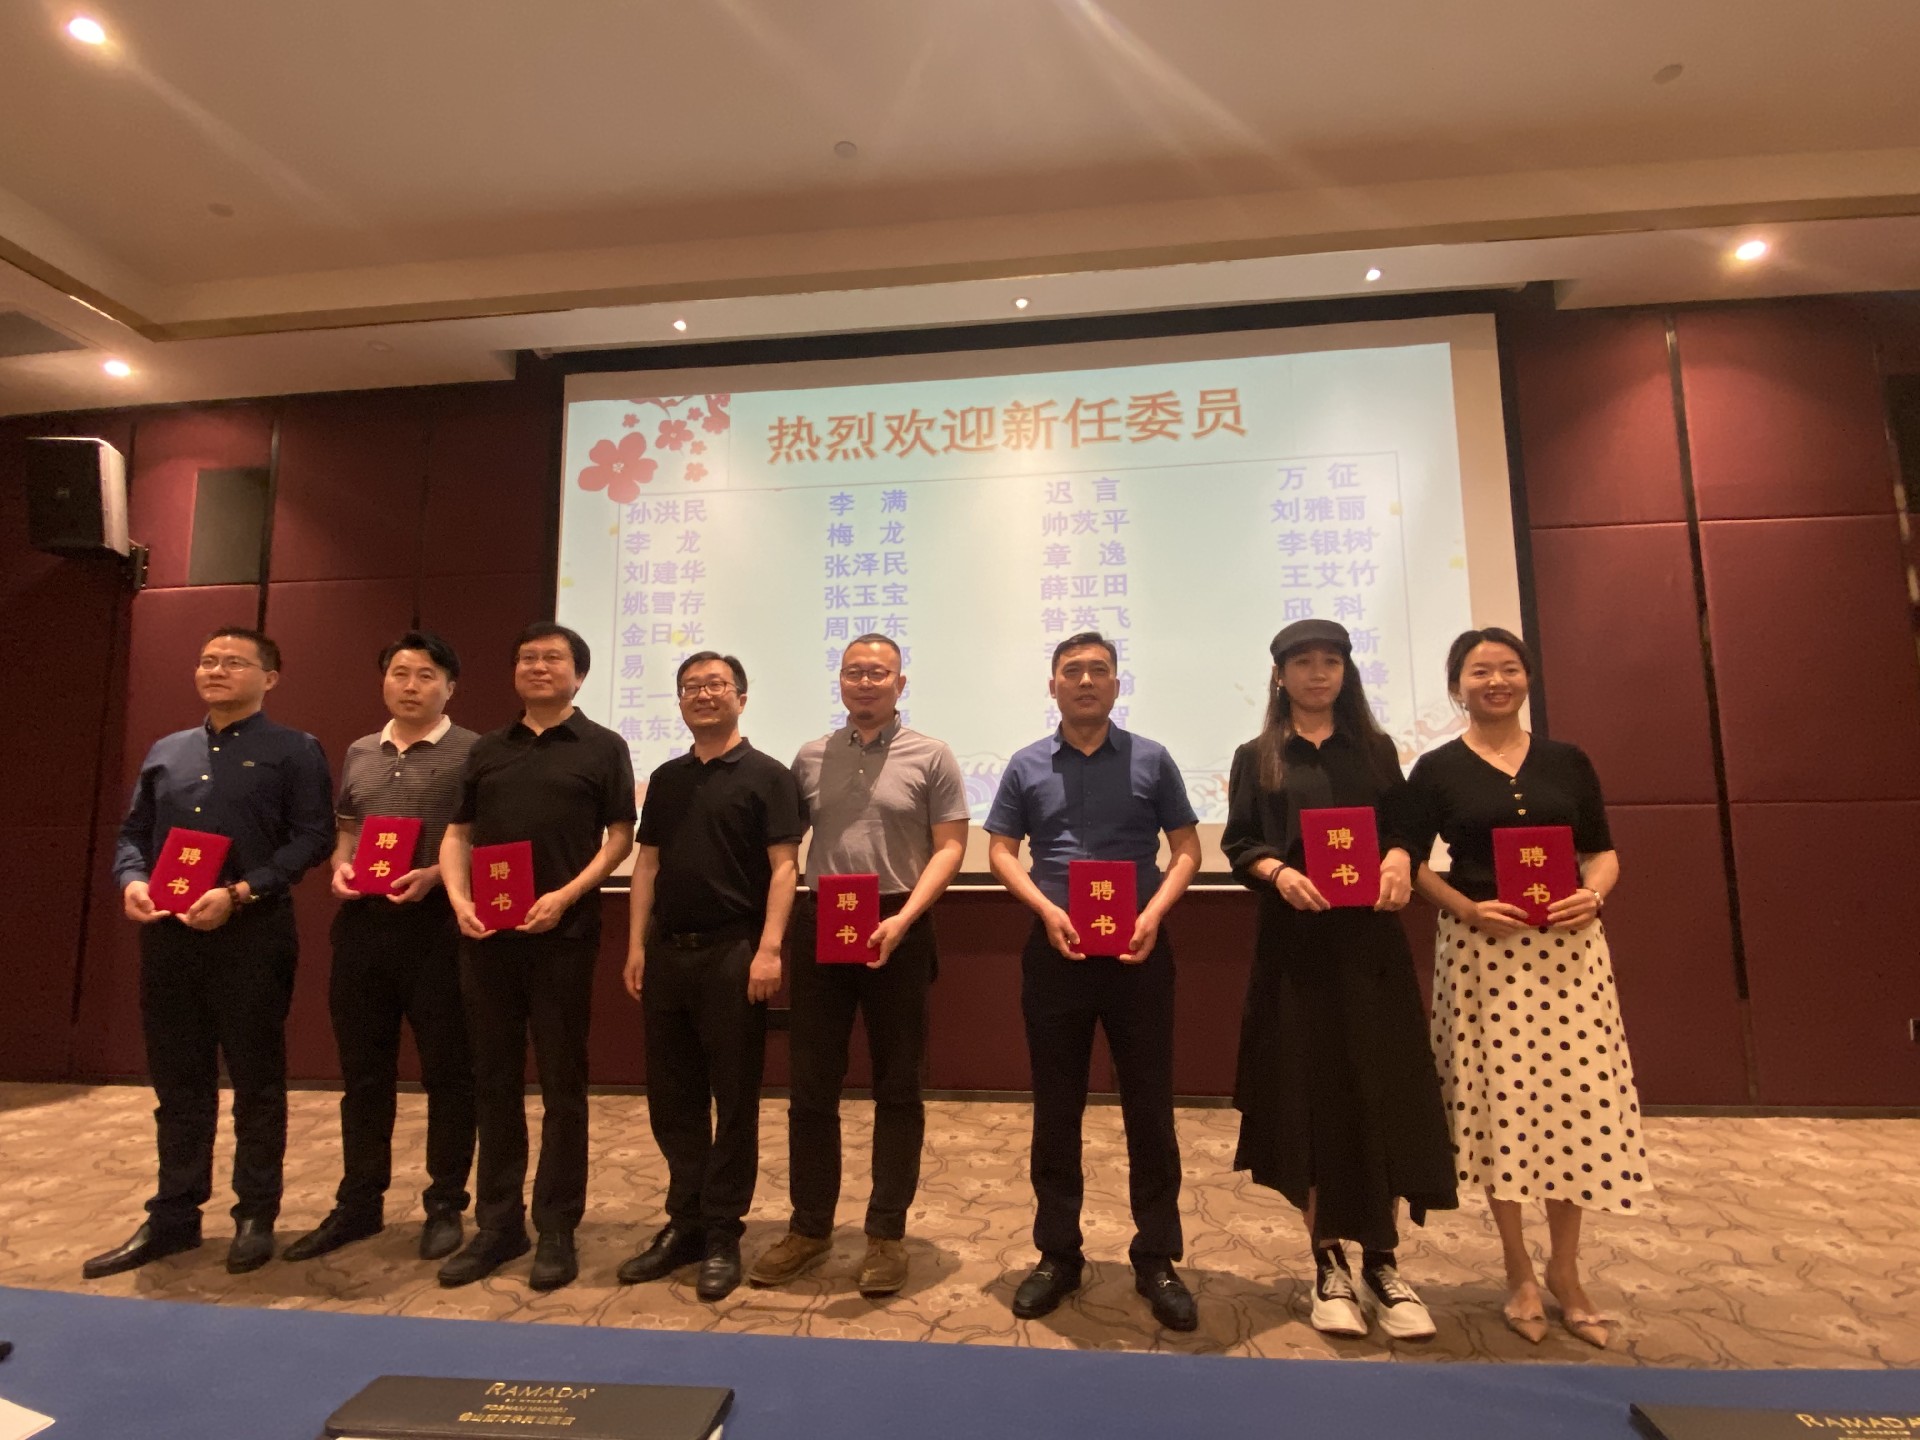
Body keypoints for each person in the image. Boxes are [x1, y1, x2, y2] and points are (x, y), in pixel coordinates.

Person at [1407, 626, 1649, 1349]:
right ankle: (1517, 1268)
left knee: (1576, 1105)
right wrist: (1467, 908)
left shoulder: (1567, 761)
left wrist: (1594, 894)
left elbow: (1602, 851)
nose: (1495, 682)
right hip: (1484, 955)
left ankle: (1566, 1271)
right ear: (1457, 686)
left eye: (1508, 668)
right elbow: (1409, 862)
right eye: (1479, 671)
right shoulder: (1436, 768)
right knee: (1502, 1107)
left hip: (1570, 955)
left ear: (1528, 678)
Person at [1221, 619, 1456, 1341]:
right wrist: (1278, 872)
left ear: (1347, 672)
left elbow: (1405, 829)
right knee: (1308, 1100)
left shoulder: (1376, 750)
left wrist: (1399, 857)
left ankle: (1384, 1262)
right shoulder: (1257, 756)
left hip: (1370, 951)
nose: (1318, 673)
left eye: (1331, 661)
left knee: (1380, 1094)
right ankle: (1328, 1265)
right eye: (1303, 663)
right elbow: (1240, 842)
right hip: (1296, 954)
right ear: (1280, 675)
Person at [85, 628, 333, 1279]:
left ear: (269, 678)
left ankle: (255, 1214)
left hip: (252, 934)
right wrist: (131, 881)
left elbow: (313, 838)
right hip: (169, 937)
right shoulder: (167, 750)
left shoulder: (295, 749)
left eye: (234, 662)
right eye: (207, 661)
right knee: (177, 1082)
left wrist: (243, 892)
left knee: (256, 1081)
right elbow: (134, 833)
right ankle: (174, 1213)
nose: (216, 670)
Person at [984, 631, 1203, 1333]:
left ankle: (1157, 1257)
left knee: (1150, 1108)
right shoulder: (1026, 764)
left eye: (1098, 670)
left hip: (1139, 951)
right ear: (1053, 685)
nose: (1085, 681)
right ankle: (1058, 1253)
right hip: (1057, 951)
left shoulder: (1152, 759)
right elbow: (1000, 850)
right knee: (1056, 1108)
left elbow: (1188, 848)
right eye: (1072, 671)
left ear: (1115, 683)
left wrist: (1154, 912)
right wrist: (1045, 909)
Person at [749, 634, 969, 1298]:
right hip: (825, 919)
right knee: (811, 1086)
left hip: (900, 921)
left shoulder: (931, 754)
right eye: (854, 672)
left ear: (901, 683)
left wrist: (905, 919)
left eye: (879, 672)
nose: (865, 682)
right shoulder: (810, 756)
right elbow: (785, 850)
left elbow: (950, 847)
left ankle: (885, 1234)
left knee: (898, 1087)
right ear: (840, 682)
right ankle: (809, 1228)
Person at [436, 623, 635, 1291]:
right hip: (486, 940)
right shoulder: (488, 748)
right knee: (492, 1081)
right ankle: (498, 1226)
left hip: (563, 937)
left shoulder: (603, 746)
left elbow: (619, 837)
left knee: (561, 1086)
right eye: (527, 658)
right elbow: (457, 833)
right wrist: (459, 899)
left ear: (580, 675)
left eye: (553, 658)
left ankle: (556, 1228)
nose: (539, 667)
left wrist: (567, 895)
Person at [284, 632, 478, 1266]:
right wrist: (341, 868)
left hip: (438, 930)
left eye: (426, 675)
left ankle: (445, 1203)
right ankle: (359, 1202)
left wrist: (437, 877)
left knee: (448, 1072)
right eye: (399, 673)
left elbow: (482, 838)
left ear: (449, 687)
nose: (410, 685)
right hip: (364, 928)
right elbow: (348, 829)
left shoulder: (472, 752)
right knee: (363, 1074)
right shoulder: (361, 750)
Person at [618, 651, 804, 1302]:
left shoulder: (769, 776)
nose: (703, 694)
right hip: (667, 952)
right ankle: (686, 1221)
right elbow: (646, 866)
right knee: (673, 1097)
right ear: (679, 701)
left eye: (716, 685)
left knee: (734, 1098)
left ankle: (723, 1230)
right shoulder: (667, 779)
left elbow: (785, 868)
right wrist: (636, 945)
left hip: (734, 953)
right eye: (691, 686)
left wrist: (770, 949)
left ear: (740, 698)